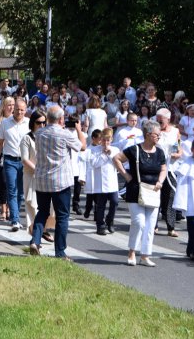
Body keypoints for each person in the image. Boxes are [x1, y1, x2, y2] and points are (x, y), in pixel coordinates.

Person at [29, 106, 86, 260]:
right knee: (62, 216)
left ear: (47, 119)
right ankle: (60, 252)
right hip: (60, 181)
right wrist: (79, 129)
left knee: (42, 211)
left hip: (42, 179)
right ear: (61, 119)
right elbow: (82, 147)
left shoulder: (39, 133)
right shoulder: (64, 134)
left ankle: (35, 241)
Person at [113, 120, 167, 267]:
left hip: (153, 192)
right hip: (136, 190)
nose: (159, 137)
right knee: (139, 222)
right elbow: (116, 158)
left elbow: (163, 169)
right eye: (157, 135)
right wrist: (126, 175)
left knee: (150, 226)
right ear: (148, 135)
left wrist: (160, 181)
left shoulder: (160, 152)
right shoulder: (134, 150)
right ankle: (132, 251)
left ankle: (145, 255)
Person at [0, 98, 29, 231]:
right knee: (12, 189)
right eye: (17, 109)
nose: (19, 112)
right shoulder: (5, 123)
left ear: (25, 110)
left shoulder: (29, 123)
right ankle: (15, 219)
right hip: (9, 160)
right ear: (13, 109)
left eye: (22, 110)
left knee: (20, 193)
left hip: (24, 161)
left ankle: (16, 216)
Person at [20, 111, 55, 241]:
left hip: (45, 176)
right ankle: (37, 234)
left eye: (44, 122)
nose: (41, 125)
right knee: (32, 205)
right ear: (33, 123)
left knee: (50, 207)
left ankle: (43, 228)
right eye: (38, 122)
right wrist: (37, 170)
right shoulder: (27, 138)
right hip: (31, 175)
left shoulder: (47, 137)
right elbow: (24, 159)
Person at [83, 128, 120, 235]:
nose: (105, 143)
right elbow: (94, 164)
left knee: (115, 202)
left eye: (108, 140)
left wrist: (110, 154)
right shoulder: (94, 150)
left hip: (112, 182)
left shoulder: (115, 150)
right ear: (100, 140)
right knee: (100, 205)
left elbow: (118, 164)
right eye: (103, 140)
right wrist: (103, 155)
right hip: (100, 183)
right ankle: (100, 225)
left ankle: (110, 220)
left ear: (111, 140)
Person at [155, 108, 183, 237]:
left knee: (170, 197)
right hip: (156, 169)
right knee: (156, 197)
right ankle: (153, 225)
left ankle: (170, 227)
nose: (158, 121)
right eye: (157, 119)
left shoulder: (175, 131)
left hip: (170, 169)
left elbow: (179, 150)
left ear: (168, 118)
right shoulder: (154, 131)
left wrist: (175, 155)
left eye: (161, 119)